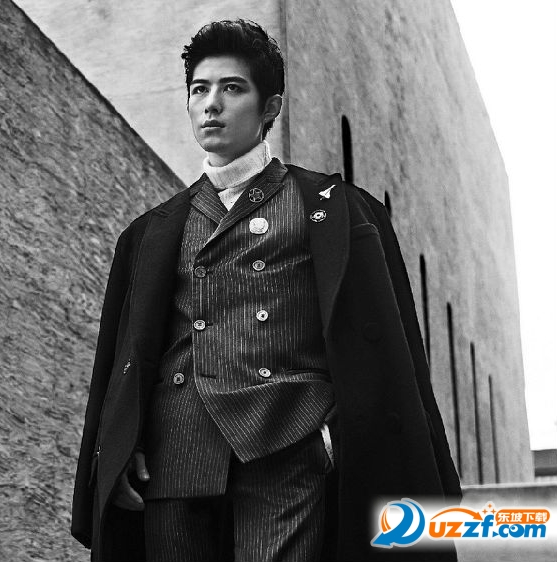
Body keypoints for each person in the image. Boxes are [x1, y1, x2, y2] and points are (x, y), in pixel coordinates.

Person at [71, 19, 461, 562]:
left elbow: (387, 350)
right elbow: (126, 360)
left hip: (287, 444)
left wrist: (328, 437)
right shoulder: (150, 232)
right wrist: (121, 443)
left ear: (270, 107)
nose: (211, 104)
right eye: (199, 90)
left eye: (232, 88)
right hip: (175, 451)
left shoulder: (334, 209)